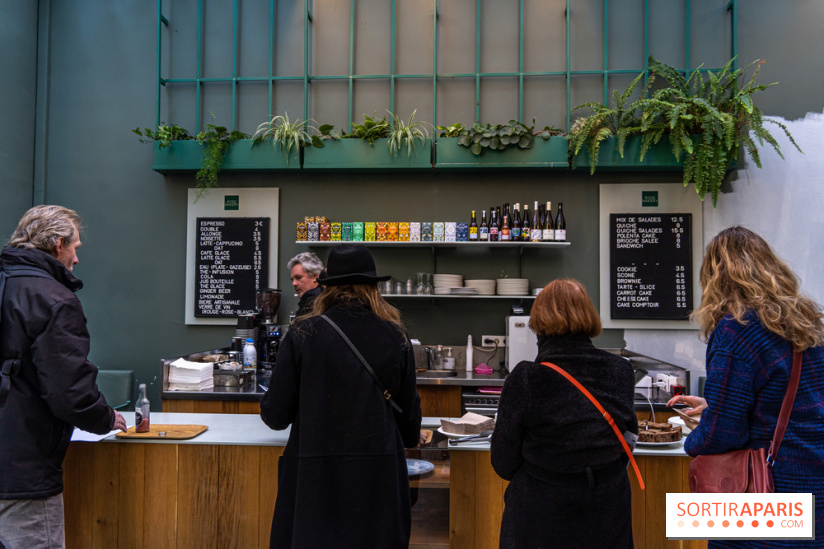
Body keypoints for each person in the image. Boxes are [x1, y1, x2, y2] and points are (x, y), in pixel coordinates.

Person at [665, 226, 824, 548]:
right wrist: (715, 406)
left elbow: (724, 434)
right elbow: (796, 402)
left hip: (766, 492)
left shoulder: (735, 329)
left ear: (714, 276)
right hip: (815, 482)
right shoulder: (808, 321)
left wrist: (694, 439)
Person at [260, 244, 422, 548]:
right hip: (378, 474)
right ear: (374, 287)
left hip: (316, 476)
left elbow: (276, 415)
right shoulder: (395, 334)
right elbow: (409, 418)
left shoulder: (303, 333)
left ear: (327, 286)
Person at [0, 205, 127, 549]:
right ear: (58, 244)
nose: (76, 257)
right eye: (75, 247)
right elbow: (68, 389)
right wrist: (105, 418)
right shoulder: (54, 298)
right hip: (23, 470)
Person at [491, 278, 637, 549]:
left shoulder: (526, 377)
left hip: (541, 515)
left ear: (539, 324)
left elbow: (503, 462)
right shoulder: (621, 370)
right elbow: (628, 438)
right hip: (607, 510)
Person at [288, 251, 324, 318]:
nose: (294, 283)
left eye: (298, 278)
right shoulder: (321, 300)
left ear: (315, 277)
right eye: (292, 280)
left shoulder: (316, 305)